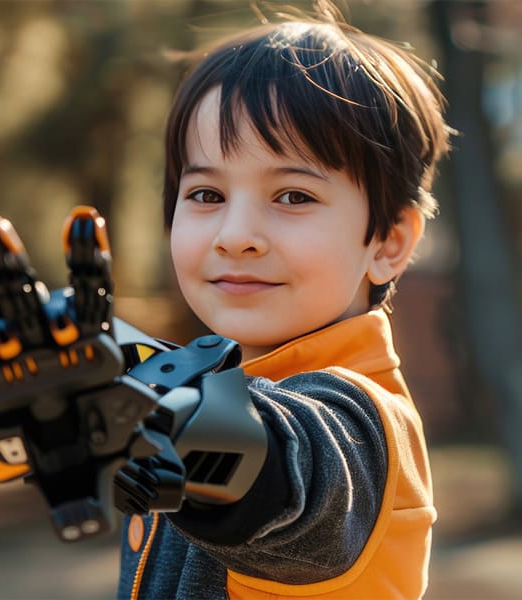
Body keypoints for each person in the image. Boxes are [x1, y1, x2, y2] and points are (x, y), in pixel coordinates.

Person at [116, 5, 451, 600]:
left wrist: (167, 419)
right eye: (206, 193)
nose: (235, 233)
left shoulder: (360, 423)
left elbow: (283, 474)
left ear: (388, 241)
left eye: (293, 195)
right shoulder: (202, 378)